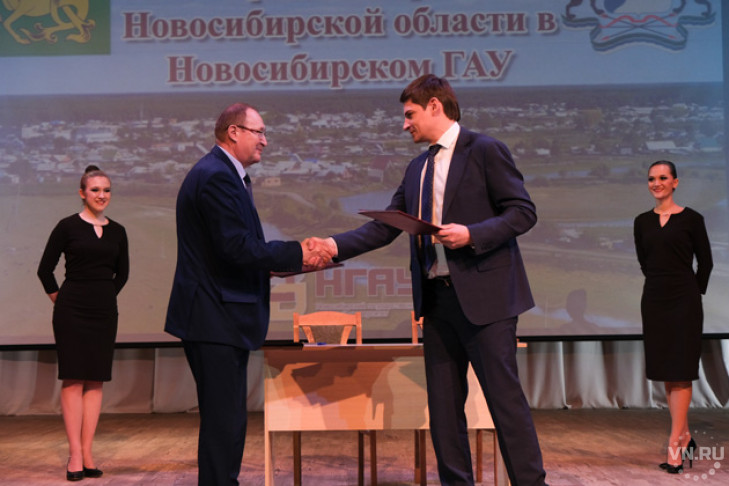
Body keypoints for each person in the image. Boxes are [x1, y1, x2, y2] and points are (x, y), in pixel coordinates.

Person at [307, 74, 547, 485]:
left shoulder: (484, 150)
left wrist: (472, 234)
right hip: (438, 302)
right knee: (444, 410)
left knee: (505, 403)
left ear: (435, 106)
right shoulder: (417, 168)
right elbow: (386, 226)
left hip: (487, 302)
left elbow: (522, 212)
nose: (405, 124)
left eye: (410, 114)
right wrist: (332, 245)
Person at [164, 102, 329, 486]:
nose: (265, 141)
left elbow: (227, 251)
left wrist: (281, 265)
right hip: (213, 316)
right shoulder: (216, 176)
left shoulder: (225, 174)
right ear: (233, 132)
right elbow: (236, 247)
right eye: (259, 132)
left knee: (229, 420)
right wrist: (298, 252)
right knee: (224, 423)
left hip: (218, 316)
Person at [37, 165, 129, 482]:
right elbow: (44, 270)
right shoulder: (67, 227)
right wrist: (62, 301)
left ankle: (88, 453)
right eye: (95, 190)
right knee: (74, 378)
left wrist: (103, 297)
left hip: (104, 312)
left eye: (106, 190)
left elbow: (123, 274)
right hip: (71, 311)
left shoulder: (118, 231)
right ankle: (75, 454)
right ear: (82, 193)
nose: (102, 195)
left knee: (96, 380)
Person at [633, 160, 712, 474]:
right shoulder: (642, 221)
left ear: (675, 182)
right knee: (668, 371)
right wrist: (661, 285)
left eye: (663, 178)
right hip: (654, 299)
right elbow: (645, 262)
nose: (656, 183)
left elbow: (705, 263)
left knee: (681, 370)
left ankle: (674, 444)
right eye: (652, 178)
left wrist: (692, 292)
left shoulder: (692, 219)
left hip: (684, 301)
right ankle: (686, 435)